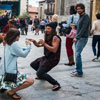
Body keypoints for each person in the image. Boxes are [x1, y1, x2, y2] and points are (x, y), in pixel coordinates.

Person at [0, 28, 34, 99]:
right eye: (18, 36)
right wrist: (28, 46)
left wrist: (25, 48)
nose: (19, 37)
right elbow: (23, 54)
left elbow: (17, 50)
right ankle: (11, 92)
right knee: (30, 81)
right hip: (10, 72)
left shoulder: (7, 42)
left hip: (3, 70)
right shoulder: (13, 44)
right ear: (15, 36)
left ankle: (5, 88)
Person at [28, 22, 61, 91]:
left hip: (53, 59)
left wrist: (44, 43)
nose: (47, 30)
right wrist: (34, 42)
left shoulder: (55, 38)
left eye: (49, 28)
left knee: (39, 73)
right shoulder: (47, 36)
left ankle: (56, 83)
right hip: (47, 57)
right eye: (46, 28)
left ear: (53, 29)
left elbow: (54, 50)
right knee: (33, 64)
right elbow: (39, 45)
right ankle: (42, 75)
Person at [71, 3, 90, 77]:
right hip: (79, 37)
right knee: (77, 54)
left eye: (80, 8)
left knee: (77, 54)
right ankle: (77, 69)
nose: (78, 10)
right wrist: (75, 26)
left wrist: (77, 37)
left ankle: (79, 72)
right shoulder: (81, 16)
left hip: (82, 38)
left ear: (83, 9)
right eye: (77, 9)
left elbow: (84, 28)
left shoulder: (86, 16)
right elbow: (80, 26)